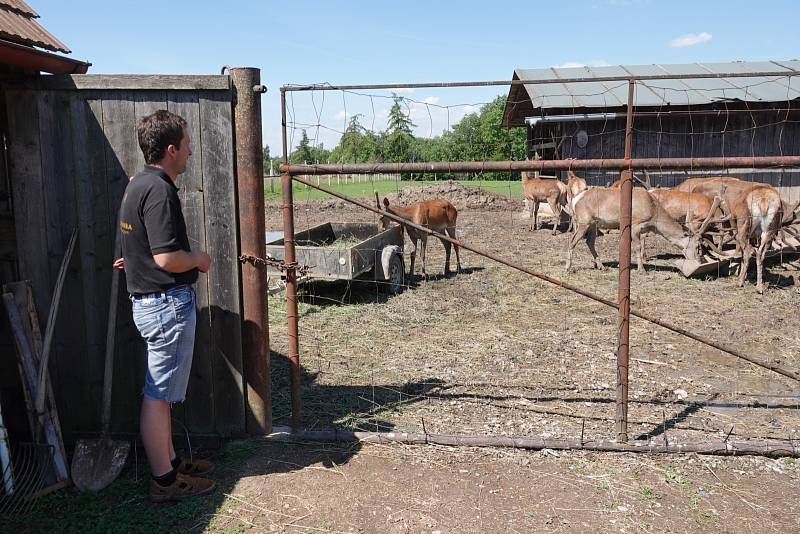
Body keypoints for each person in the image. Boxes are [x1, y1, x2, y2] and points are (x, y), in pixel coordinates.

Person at [115, 110, 215, 502]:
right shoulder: (159, 190)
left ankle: (171, 463)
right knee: (158, 395)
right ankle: (165, 481)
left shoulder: (136, 186)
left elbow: (131, 250)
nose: (190, 152)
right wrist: (199, 259)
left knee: (163, 392)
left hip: (151, 304)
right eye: (187, 145)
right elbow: (166, 259)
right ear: (171, 150)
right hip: (165, 305)